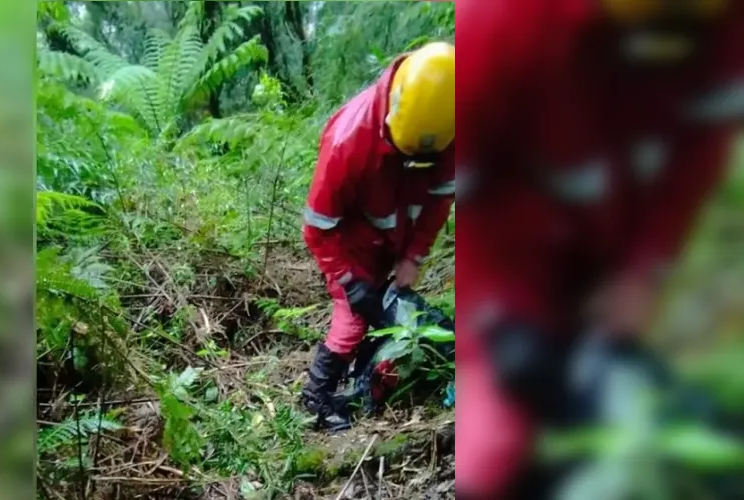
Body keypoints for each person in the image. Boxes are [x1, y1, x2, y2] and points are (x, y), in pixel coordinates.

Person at [456, 0, 744, 498]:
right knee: (492, 446)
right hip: (510, 263)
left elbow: (697, 156)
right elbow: (470, 211)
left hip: (613, 248)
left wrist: (642, 270)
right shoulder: (499, 29)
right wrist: (496, 322)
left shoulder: (721, 28)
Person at [300, 42, 455, 432]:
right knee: (352, 319)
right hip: (350, 245)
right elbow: (317, 226)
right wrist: (348, 281)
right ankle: (315, 399)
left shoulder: (450, 127)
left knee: (392, 315)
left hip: (394, 243)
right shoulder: (348, 141)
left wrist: (413, 256)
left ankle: (364, 378)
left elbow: (439, 201)